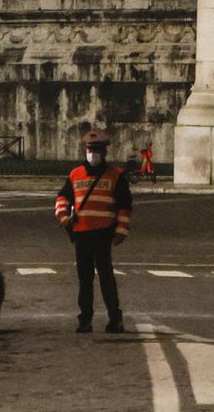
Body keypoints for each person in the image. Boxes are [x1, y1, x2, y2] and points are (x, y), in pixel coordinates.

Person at [55, 129, 131, 334]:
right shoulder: (75, 174)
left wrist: (121, 231)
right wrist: (63, 218)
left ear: (104, 152)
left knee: (106, 277)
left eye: (96, 150)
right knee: (85, 279)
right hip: (81, 233)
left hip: (103, 233)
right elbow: (62, 198)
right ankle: (85, 319)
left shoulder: (116, 175)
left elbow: (125, 205)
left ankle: (115, 318)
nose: (93, 154)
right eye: (90, 150)